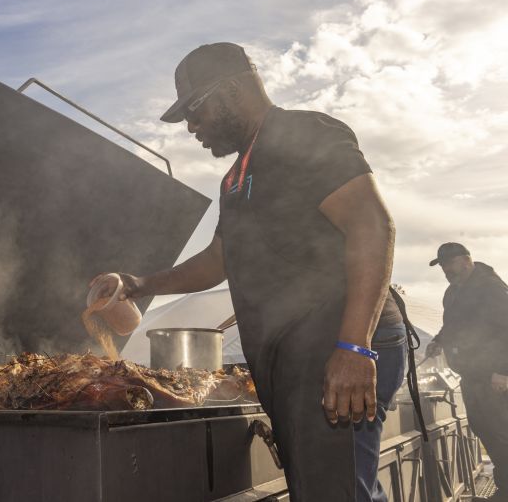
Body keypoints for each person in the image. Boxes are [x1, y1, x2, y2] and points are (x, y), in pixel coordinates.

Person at [92, 42, 406, 501]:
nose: (192, 129)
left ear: (233, 89)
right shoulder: (236, 178)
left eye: (195, 114)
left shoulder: (306, 133)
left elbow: (372, 226)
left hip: (341, 342)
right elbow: (217, 260)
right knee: (325, 489)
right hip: (297, 355)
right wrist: (140, 284)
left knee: (335, 493)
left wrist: (354, 346)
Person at [425, 243, 508, 502]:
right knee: (483, 427)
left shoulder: (491, 289)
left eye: (449, 263)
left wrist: (502, 371)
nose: (446, 270)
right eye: (442, 266)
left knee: (501, 433)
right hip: (472, 374)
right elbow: (452, 325)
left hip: (494, 376)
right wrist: (438, 340)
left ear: (466, 260)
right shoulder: (453, 293)